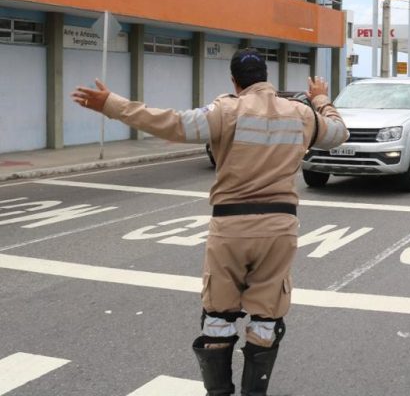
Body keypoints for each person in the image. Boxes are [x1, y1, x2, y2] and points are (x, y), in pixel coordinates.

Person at [71, 48, 349, 395]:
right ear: (266, 78)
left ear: (234, 81)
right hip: (279, 230)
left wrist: (111, 104)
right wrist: (321, 98)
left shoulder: (225, 111)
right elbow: (339, 133)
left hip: (230, 229)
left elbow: (170, 122)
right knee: (267, 318)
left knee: (218, 316)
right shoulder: (302, 114)